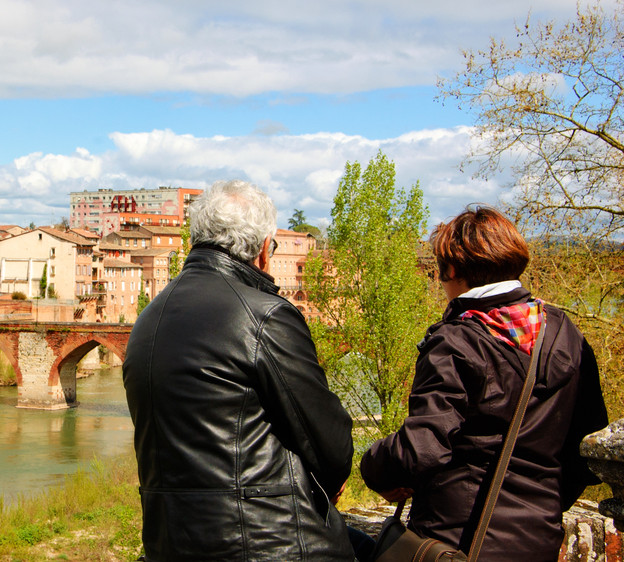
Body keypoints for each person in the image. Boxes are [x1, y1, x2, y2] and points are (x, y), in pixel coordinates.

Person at [123, 180, 355, 560]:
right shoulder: (265, 315)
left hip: (170, 542)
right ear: (265, 249)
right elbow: (330, 445)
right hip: (268, 542)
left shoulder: (147, 319)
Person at [360, 207, 608, 561]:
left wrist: (372, 465)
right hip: (539, 539)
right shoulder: (564, 331)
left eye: (438, 271)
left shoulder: (457, 341)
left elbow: (421, 448)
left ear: (454, 270)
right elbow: (587, 447)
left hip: (456, 541)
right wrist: (539, 506)